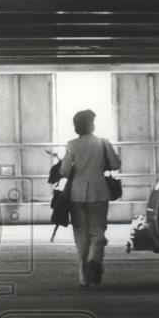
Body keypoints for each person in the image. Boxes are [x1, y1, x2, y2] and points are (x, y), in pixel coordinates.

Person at [59, 109, 121, 287]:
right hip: (99, 192)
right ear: (91, 124)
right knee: (98, 231)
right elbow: (116, 164)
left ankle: (83, 277)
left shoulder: (72, 145)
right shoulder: (103, 143)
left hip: (77, 194)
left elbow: (64, 171)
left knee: (80, 234)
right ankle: (94, 259)